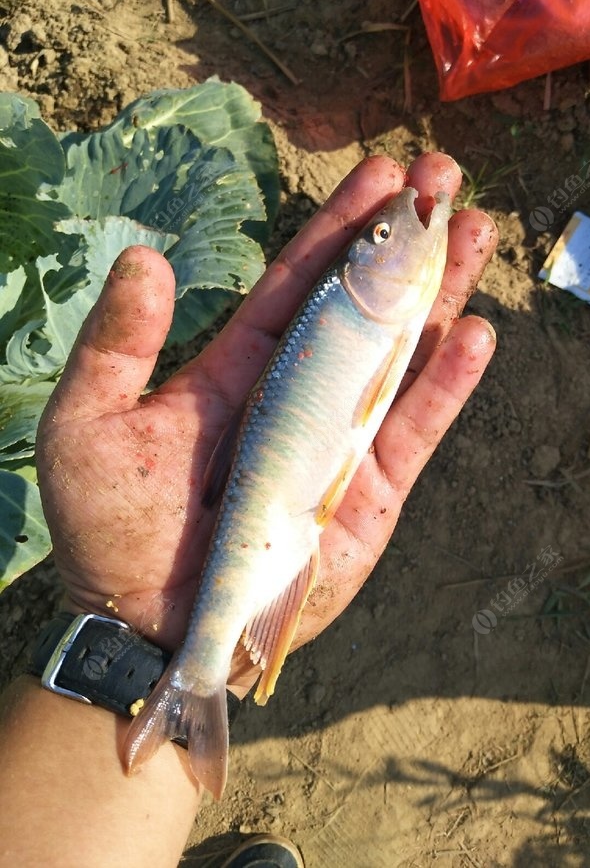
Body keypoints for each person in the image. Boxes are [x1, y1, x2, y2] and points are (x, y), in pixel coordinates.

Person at [0, 153, 497, 867]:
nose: (398, 234)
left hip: (287, 515)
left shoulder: (370, 309)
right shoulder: (350, 308)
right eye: (378, 242)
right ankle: (190, 688)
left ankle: (181, 696)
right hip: (278, 524)